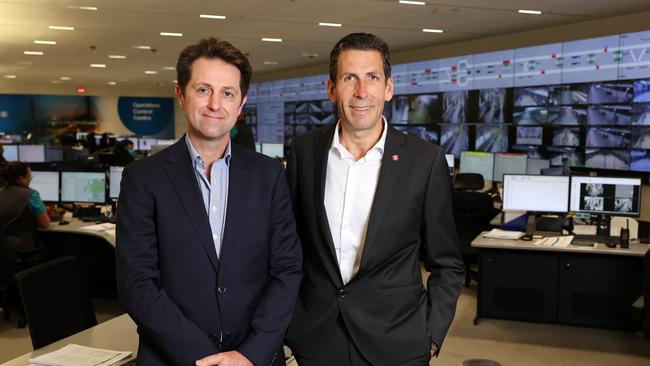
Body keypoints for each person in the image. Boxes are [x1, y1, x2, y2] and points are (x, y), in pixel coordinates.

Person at [115, 37, 302, 366]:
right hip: (174, 358)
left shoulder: (268, 175)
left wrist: (250, 354)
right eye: (203, 90)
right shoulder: (143, 178)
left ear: (241, 104)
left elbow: (286, 271)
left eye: (227, 93)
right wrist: (204, 357)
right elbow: (137, 284)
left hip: (254, 358)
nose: (216, 104)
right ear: (181, 95)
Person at [285, 33, 465, 366]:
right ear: (331, 89)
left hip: (398, 341)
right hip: (318, 339)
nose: (361, 92)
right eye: (349, 78)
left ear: (389, 88)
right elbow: (290, 247)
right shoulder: (304, 152)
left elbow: (447, 263)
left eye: (372, 78)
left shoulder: (424, 161)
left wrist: (432, 334)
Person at [0, 162, 50, 253]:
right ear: (21, 178)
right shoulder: (31, 195)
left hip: (4, 250)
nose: (31, 178)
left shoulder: (1, 192)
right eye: (29, 175)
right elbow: (45, 224)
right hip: (21, 248)